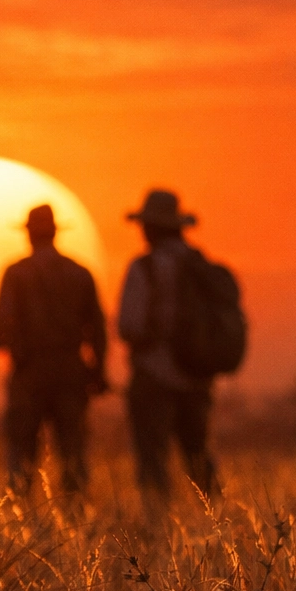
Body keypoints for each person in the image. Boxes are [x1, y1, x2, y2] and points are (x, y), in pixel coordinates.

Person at [0, 204, 108, 495]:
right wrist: (98, 372)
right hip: (71, 372)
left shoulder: (17, 273)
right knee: (72, 451)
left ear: (30, 234)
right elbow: (98, 330)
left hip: (28, 373)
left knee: (21, 452)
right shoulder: (80, 273)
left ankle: (20, 521)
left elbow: (2, 326)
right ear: (56, 232)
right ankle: (76, 517)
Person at [117, 189, 220, 503]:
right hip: (196, 378)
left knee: (152, 460)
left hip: (153, 377)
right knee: (198, 456)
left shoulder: (144, 268)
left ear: (153, 227)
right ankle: (217, 519)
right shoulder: (200, 266)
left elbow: (129, 326)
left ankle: (158, 525)